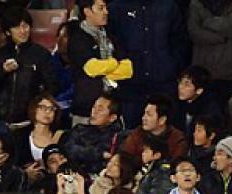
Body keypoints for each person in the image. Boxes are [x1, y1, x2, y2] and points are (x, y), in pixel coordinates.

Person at [106, 0, 187, 128]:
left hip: (164, 82)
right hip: (131, 84)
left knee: (169, 130)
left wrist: (172, 66)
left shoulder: (168, 6)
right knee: (132, 132)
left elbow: (180, 41)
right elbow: (111, 42)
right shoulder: (116, 7)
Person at [0, 6, 58, 124]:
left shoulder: (41, 54)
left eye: (25, 26)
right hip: (1, 120)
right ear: (8, 31)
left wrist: (37, 108)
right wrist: (2, 71)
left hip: (30, 120)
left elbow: (52, 86)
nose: (22, 31)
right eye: (17, 27)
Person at [67, 0, 132, 125]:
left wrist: (105, 70)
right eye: (101, 8)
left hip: (113, 108)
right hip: (86, 110)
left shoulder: (111, 35)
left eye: (106, 8)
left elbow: (127, 69)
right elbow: (92, 68)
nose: (106, 12)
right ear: (87, 11)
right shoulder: (77, 38)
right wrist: (114, 63)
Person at [187, 0, 232, 109]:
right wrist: (220, 38)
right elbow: (194, 33)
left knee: (231, 113)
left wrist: (206, 21)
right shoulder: (196, 3)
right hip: (203, 72)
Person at [63, 94, 123, 176]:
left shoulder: (118, 138)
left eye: (100, 109)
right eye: (94, 107)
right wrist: (99, 154)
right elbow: (69, 149)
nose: (94, 112)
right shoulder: (79, 129)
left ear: (112, 118)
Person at [122, 95, 187, 162]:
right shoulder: (137, 134)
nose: (143, 118)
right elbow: (124, 159)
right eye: (144, 114)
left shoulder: (177, 139)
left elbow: (178, 163)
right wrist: (141, 160)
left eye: (149, 115)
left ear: (162, 120)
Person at [15, 92, 65, 167]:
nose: (48, 112)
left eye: (52, 109)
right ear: (34, 109)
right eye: (43, 107)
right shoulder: (20, 136)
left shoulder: (62, 137)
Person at [171, 66, 221, 136]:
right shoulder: (174, 102)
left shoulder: (210, 110)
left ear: (199, 90)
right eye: (180, 82)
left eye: (187, 85)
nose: (180, 87)